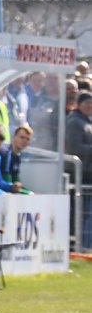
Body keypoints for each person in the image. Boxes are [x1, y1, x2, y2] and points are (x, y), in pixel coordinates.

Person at [65, 92, 92, 249]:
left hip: (88, 174)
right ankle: (78, 246)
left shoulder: (87, 121)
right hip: (80, 174)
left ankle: (86, 245)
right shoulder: (74, 122)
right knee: (80, 213)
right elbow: (74, 148)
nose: (89, 105)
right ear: (79, 104)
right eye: (86, 102)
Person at [0, 124, 33, 195]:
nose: (24, 141)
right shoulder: (6, 153)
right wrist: (27, 193)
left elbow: (16, 181)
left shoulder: (17, 156)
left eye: (27, 139)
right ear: (14, 137)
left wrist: (29, 192)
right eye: (22, 137)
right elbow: (8, 182)